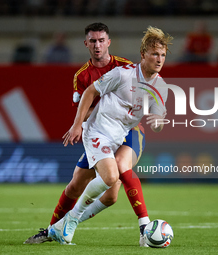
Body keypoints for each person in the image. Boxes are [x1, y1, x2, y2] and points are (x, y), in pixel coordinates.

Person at [24, 23, 151, 246]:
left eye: (101, 40)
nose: (97, 45)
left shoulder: (125, 67)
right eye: (93, 41)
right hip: (101, 131)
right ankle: (52, 229)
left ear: (108, 42)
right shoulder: (82, 76)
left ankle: (144, 227)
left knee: (120, 171)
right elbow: (84, 108)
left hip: (128, 131)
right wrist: (79, 123)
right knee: (77, 186)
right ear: (86, 44)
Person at [47, 25, 172, 245]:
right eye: (154, 54)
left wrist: (159, 121)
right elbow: (90, 91)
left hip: (122, 133)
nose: (159, 59)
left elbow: (159, 117)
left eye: (162, 55)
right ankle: (66, 223)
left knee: (112, 194)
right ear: (143, 55)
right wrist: (77, 125)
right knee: (100, 179)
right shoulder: (123, 74)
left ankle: (63, 225)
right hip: (98, 130)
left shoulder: (161, 87)